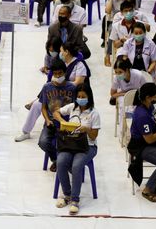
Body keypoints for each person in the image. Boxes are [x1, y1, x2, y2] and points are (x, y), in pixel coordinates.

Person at [53, 83, 100, 215]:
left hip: (87, 146)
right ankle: (66, 194)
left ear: (89, 97)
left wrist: (87, 129)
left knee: (76, 165)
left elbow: (94, 136)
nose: (80, 99)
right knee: (61, 161)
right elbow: (56, 112)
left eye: (83, 96)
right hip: (70, 144)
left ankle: (75, 199)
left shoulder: (94, 113)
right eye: (78, 96)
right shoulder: (73, 107)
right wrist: (62, 121)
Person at [37, 60, 77, 171]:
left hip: (67, 124)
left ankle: (65, 162)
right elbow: (44, 108)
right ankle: (56, 160)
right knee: (43, 142)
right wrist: (47, 120)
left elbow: (76, 108)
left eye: (60, 73)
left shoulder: (72, 88)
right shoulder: (47, 87)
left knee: (70, 144)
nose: (58, 76)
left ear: (65, 73)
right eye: (55, 74)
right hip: (51, 123)